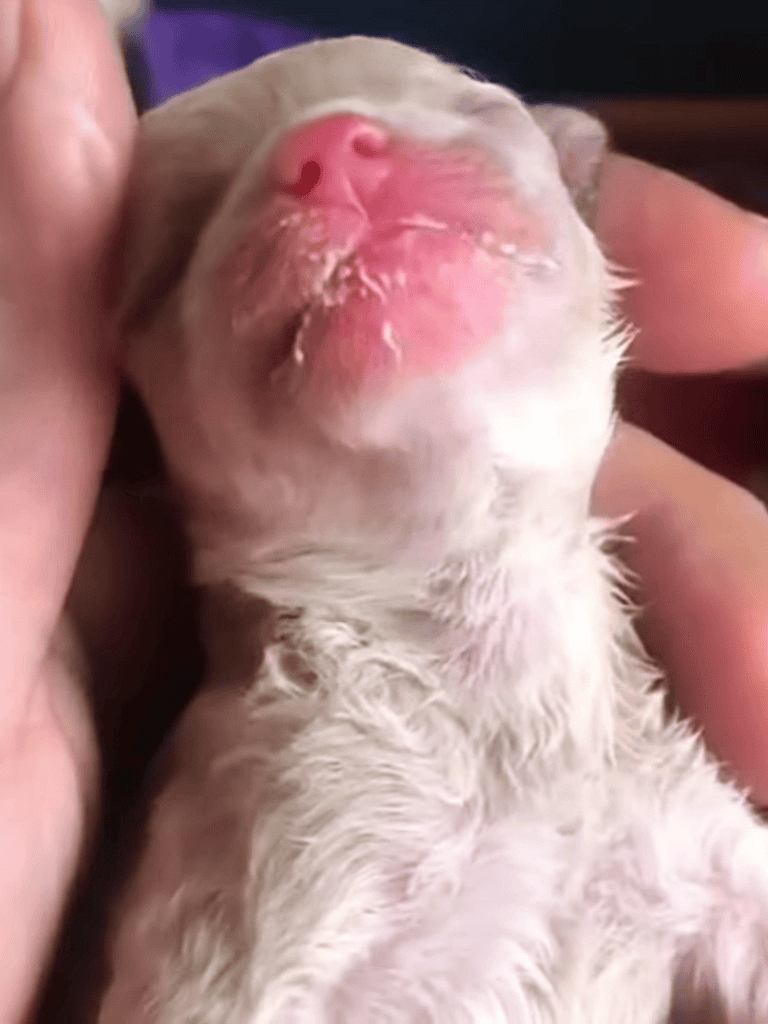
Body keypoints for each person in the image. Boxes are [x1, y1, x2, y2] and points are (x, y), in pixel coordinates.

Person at [3, 1, 768, 1019]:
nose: (334, 153)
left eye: (472, 115)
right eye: (187, 233)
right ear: (129, 409)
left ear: (577, 194)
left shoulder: (667, 774)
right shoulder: (284, 799)